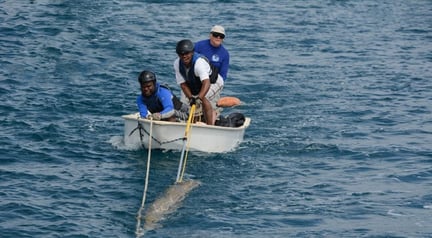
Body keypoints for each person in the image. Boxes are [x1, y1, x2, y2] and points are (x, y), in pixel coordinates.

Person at [173, 39, 224, 125]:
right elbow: (183, 85)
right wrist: (191, 98)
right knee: (190, 102)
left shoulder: (199, 63)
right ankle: (194, 123)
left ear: (192, 52)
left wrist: (199, 98)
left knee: (204, 98)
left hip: (213, 82)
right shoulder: (177, 64)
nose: (184, 56)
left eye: (187, 53)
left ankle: (210, 125)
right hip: (196, 84)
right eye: (181, 54)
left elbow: (206, 83)